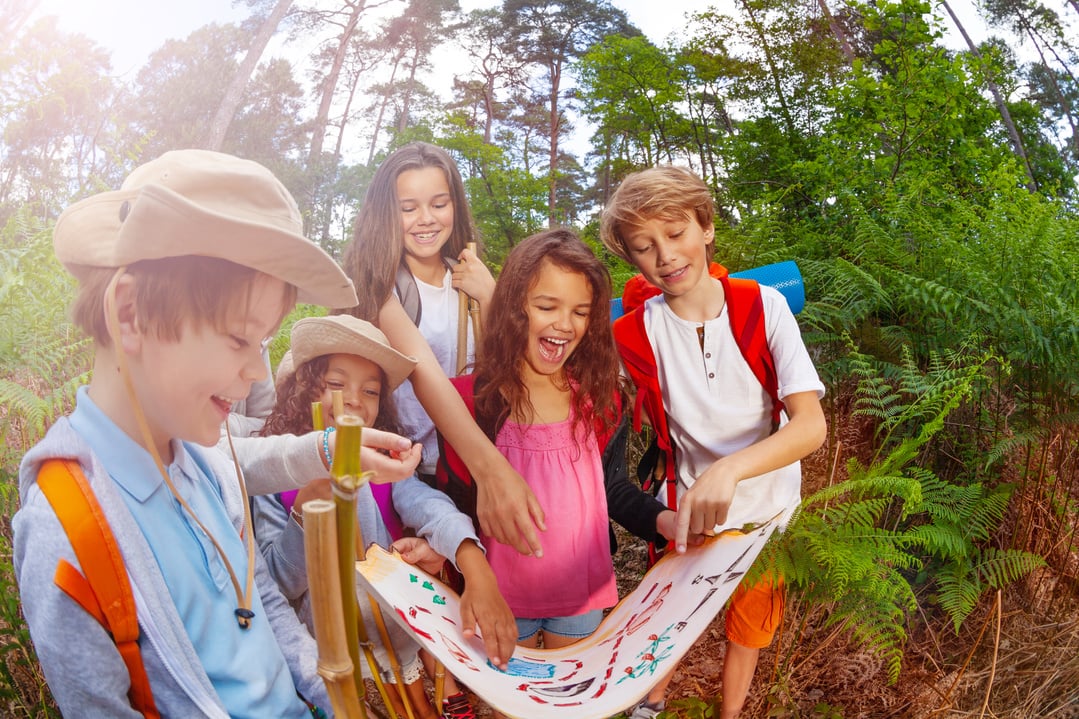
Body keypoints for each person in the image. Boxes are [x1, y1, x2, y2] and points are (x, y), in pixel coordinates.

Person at [12, 149, 361, 717]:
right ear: (129, 314)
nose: (254, 374)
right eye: (238, 339)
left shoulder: (203, 459)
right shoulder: (67, 531)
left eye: (264, 344)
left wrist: (329, 696)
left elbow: (258, 596)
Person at [600, 165, 827, 719]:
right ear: (632, 259)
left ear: (706, 227)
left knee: (746, 629)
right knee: (671, 618)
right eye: (644, 247)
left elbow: (809, 425)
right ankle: (648, 705)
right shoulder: (634, 333)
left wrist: (730, 471)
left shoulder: (762, 306)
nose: (666, 256)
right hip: (690, 512)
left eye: (676, 233)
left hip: (769, 513)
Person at [434, 229, 678, 718]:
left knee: (571, 708)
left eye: (581, 312)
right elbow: (453, 501)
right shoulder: (471, 404)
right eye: (548, 306)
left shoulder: (602, 399)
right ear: (514, 307)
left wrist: (664, 521)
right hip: (502, 602)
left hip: (580, 599)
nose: (565, 324)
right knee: (514, 709)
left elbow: (613, 489)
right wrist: (468, 574)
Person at [252, 314, 516, 719]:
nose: (354, 399)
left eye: (370, 390)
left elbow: (433, 509)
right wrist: (307, 509)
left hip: (396, 634)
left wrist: (471, 559)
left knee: (419, 708)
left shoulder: (386, 469)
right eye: (336, 384)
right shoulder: (272, 483)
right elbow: (276, 583)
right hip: (329, 648)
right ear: (305, 391)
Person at [340, 143, 546, 565]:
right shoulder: (383, 287)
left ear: (455, 203)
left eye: (439, 203)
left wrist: (490, 296)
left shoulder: (469, 276)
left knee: (484, 575)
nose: (426, 219)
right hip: (411, 469)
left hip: (470, 458)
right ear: (385, 214)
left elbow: (505, 368)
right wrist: (492, 471)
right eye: (408, 208)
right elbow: (424, 373)